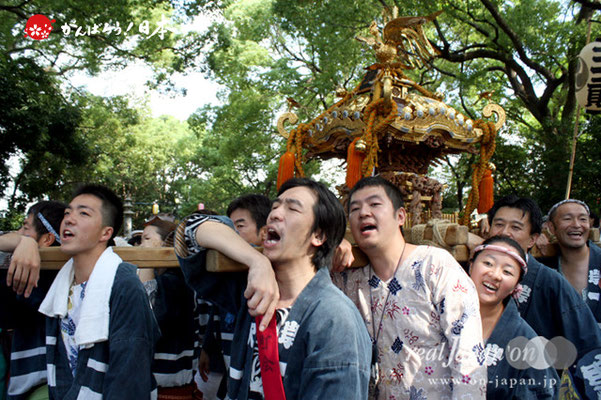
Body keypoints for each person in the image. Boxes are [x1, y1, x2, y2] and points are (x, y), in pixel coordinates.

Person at [176, 178, 371, 399]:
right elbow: (188, 232)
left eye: (292, 208)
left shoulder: (334, 319)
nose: (275, 214)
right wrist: (255, 261)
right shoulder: (251, 292)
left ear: (318, 235)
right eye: (275, 206)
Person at [332, 176, 486, 399]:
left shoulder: (434, 265)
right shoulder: (346, 278)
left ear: (401, 216)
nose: (363, 213)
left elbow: (468, 352)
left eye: (375, 204)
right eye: (355, 209)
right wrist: (332, 244)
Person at [38, 184, 160, 399]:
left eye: (83, 213)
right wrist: (24, 243)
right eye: (68, 212)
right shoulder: (60, 287)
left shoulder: (124, 286)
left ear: (106, 232)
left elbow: (129, 380)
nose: (69, 219)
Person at [484, 195, 601, 366]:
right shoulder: (474, 274)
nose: (504, 233)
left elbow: (588, 344)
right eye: (499, 224)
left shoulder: (551, 282)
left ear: (533, 239)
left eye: (516, 227)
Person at [469, 236, 558, 399]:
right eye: (488, 263)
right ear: (471, 266)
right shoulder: (441, 320)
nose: (495, 275)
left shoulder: (527, 343)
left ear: (515, 286)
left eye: (507, 271)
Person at [0, 201, 66, 400]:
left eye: (25, 228)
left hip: (43, 387)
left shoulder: (31, 281)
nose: (19, 232)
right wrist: (26, 241)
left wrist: (23, 243)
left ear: (47, 239)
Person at [137, 214, 201, 400]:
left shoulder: (175, 283)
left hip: (167, 386)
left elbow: (146, 319)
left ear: (166, 244)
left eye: (147, 239)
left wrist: (147, 261)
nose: (140, 246)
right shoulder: (169, 280)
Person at [544, 199, 601, 323]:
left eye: (583, 219)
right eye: (567, 218)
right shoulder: (544, 269)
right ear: (551, 227)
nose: (576, 224)